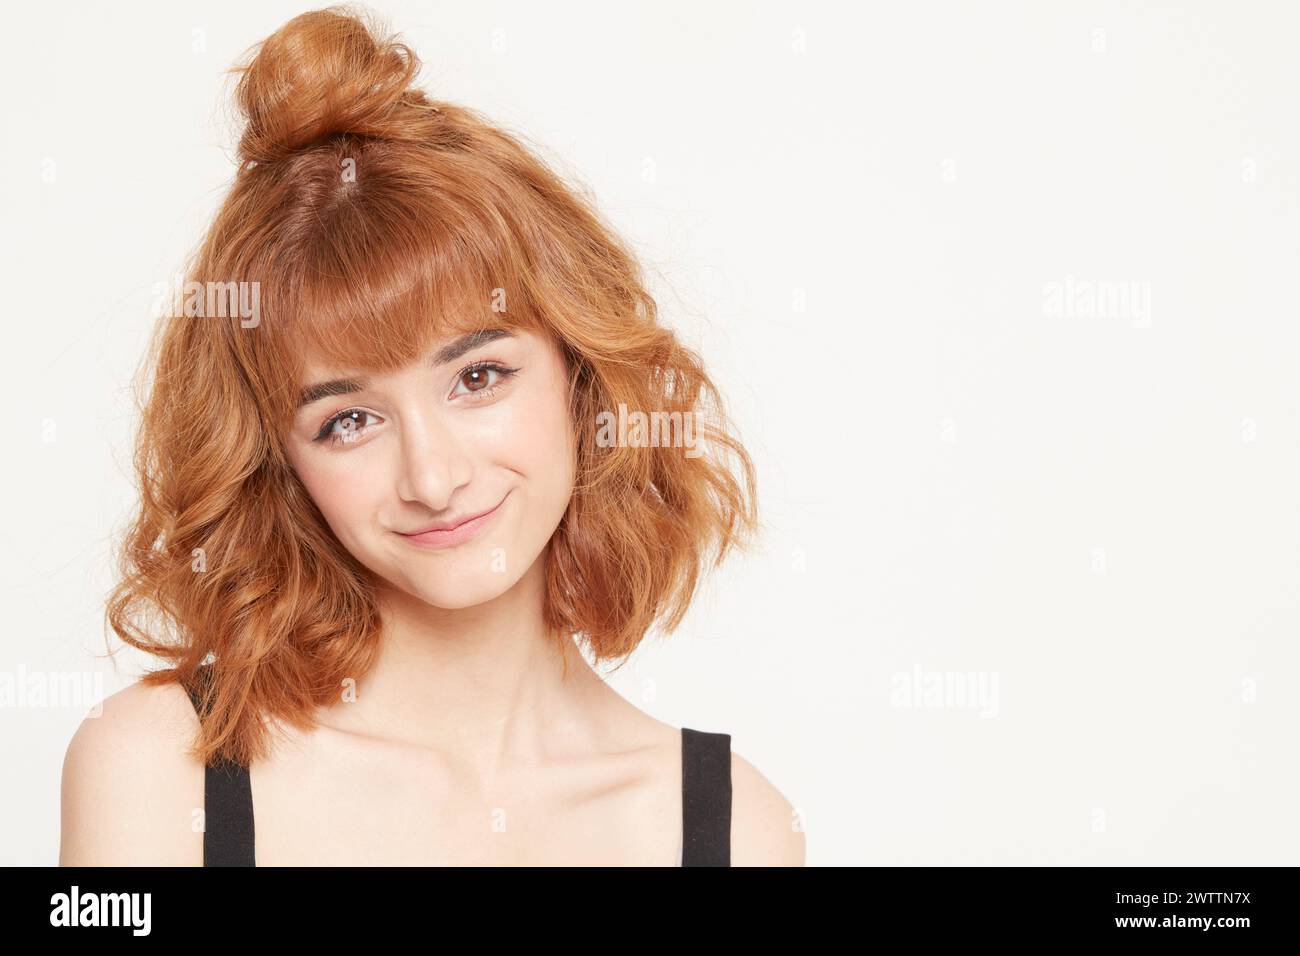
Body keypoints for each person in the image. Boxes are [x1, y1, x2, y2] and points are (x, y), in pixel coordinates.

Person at [59, 5, 803, 867]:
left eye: (477, 377)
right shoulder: (161, 770)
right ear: (277, 464)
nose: (433, 476)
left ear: (581, 371)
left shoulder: (730, 827)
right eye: (349, 420)